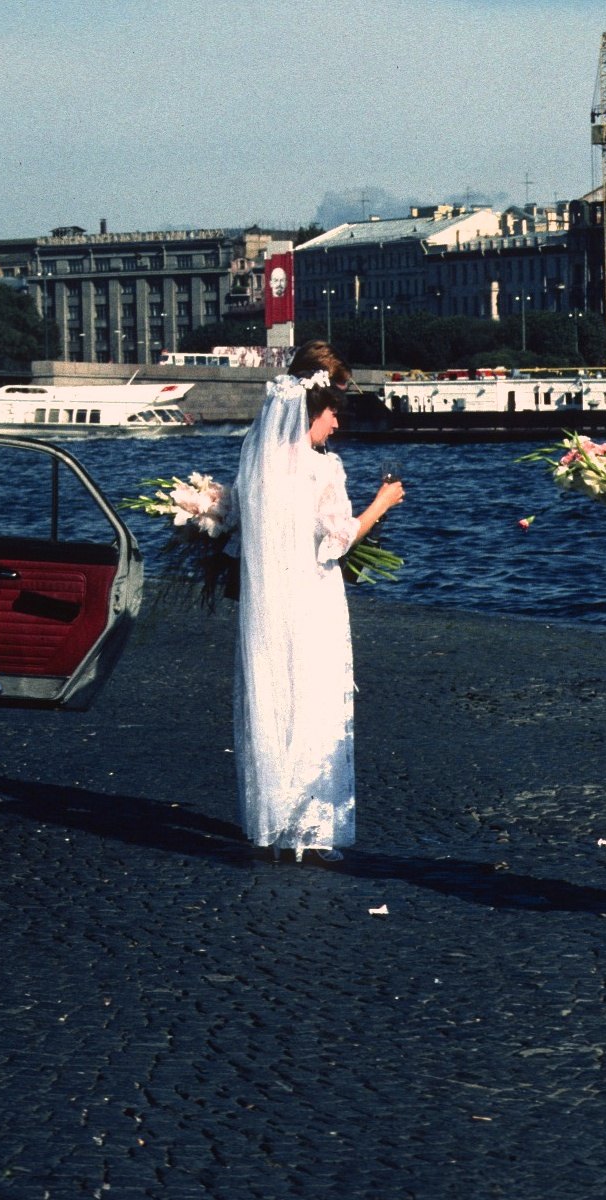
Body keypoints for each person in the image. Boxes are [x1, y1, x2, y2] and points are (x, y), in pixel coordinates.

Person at [232, 340, 404, 863]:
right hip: (313, 598)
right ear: (316, 408)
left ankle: (276, 822)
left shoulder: (259, 464)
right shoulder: (323, 468)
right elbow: (339, 537)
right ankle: (311, 827)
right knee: (317, 702)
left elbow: (239, 532)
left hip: (268, 604)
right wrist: (383, 503)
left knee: (276, 700)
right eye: (333, 413)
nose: (336, 425)